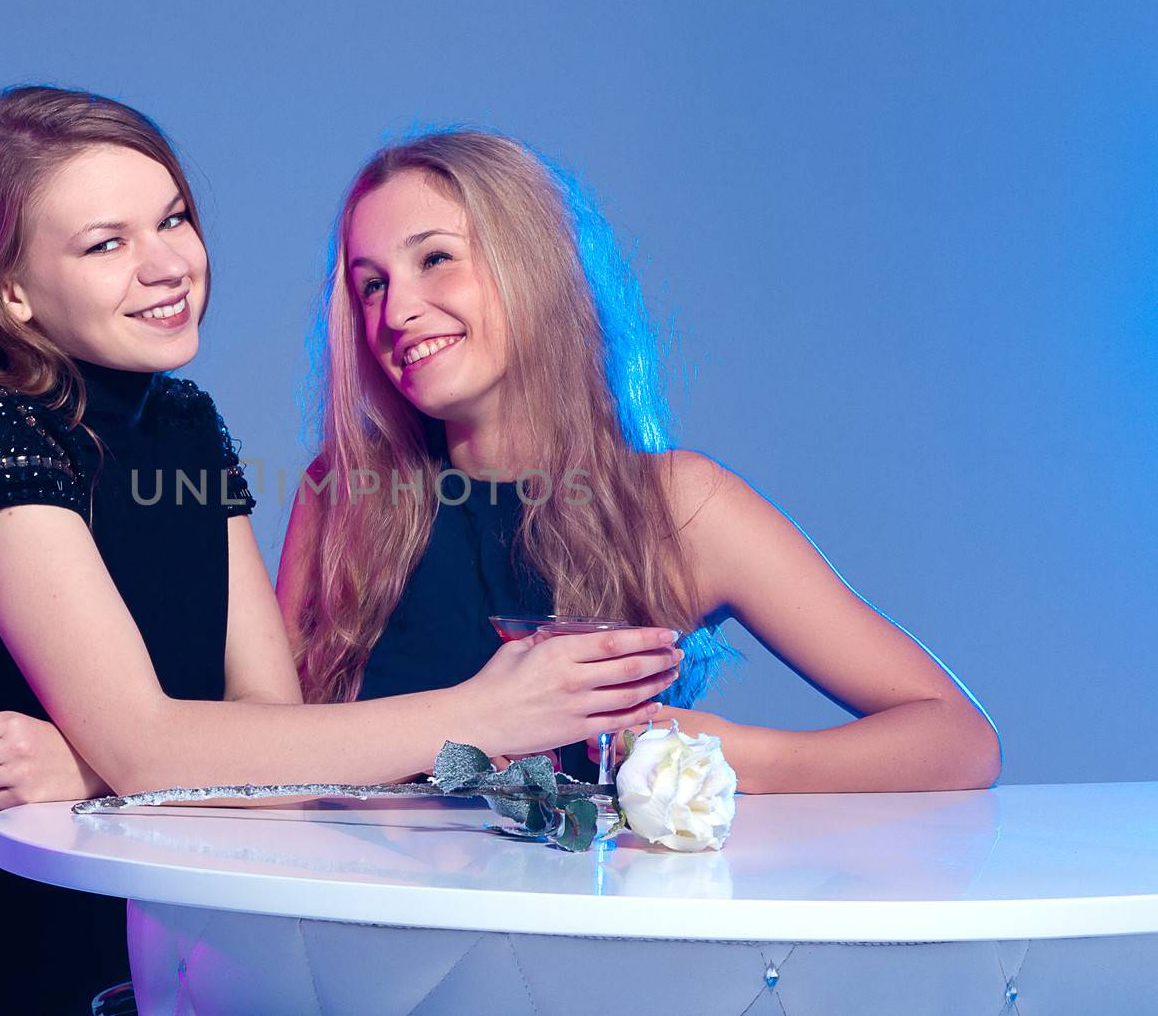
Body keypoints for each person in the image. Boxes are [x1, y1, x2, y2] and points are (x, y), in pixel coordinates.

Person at [0, 89, 680, 1014]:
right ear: (11, 292)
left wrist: (92, 768)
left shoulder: (186, 424)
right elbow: (161, 744)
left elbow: (274, 738)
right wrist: (484, 712)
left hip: (151, 959)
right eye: (105, 243)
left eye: (173, 219)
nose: (165, 266)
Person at [277, 128, 1001, 793]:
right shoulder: (343, 494)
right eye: (371, 283)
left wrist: (732, 756)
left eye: (434, 258)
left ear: (533, 263)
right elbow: (261, 750)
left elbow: (959, 739)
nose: (395, 311)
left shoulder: (675, 506)